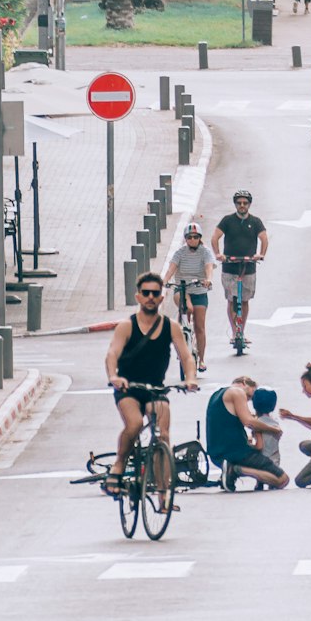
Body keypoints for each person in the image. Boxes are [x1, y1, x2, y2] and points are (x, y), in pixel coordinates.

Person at [103, 271, 199, 496]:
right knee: (135, 424)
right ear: (138, 297)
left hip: (156, 389)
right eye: (145, 293)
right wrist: (114, 377)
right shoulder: (127, 326)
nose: (150, 297)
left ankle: (163, 492)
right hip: (129, 388)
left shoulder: (170, 326)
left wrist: (190, 378)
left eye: (155, 294)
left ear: (161, 297)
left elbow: (186, 356)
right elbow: (112, 353)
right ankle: (119, 464)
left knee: (162, 435)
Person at [205, 376, 289, 491]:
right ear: (244, 383)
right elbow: (249, 422)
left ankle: (232, 470)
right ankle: (234, 470)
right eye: (250, 395)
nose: (249, 400)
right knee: (282, 480)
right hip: (236, 453)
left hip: (216, 453)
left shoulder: (217, 394)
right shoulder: (238, 392)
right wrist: (273, 429)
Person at [211, 190, 267, 346]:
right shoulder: (227, 221)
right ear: (235, 204)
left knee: (245, 300)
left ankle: (242, 331)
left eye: (245, 203)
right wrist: (218, 254)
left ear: (249, 204)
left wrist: (260, 254)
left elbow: (264, 238)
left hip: (248, 266)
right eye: (239, 203)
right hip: (230, 266)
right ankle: (234, 332)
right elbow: (215, 237)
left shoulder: (255, 222)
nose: (242, 205)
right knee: (231, 299)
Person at [161, 221, 216, 373]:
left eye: (195, 237)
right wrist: (164, 282)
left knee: (200, 327)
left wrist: (208, 279)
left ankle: (202, 359)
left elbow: (209, 267)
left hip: (199, 291)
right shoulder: (180, 252)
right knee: (187, 307)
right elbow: (171, 269)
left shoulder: (205, 252)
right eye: (189, 237)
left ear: (199, 238)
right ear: (185, 238)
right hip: (182, 289)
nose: (192, 240)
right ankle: (183, 330)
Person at [250, 387, 282, 487]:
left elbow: (260, 446)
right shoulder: (276, 424)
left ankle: (259, 483)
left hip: (263, 462)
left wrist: (250, 445)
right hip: (275, 461)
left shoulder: (257, 425)